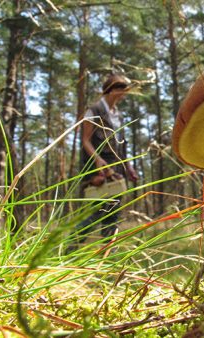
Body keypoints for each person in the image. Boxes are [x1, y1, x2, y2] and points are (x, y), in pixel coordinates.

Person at [74, 74, 138, 245]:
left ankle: (107, 254)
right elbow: (85, 140)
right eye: (121, 89)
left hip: (116, 169)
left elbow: (121, 146)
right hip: (98, 168)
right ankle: (70, 248)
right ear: (112, 90)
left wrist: (129, 166)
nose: (124, 93)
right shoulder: (93, 111)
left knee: (113, 211)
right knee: (98, 211)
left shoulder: (118, 115)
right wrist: (97, 160)